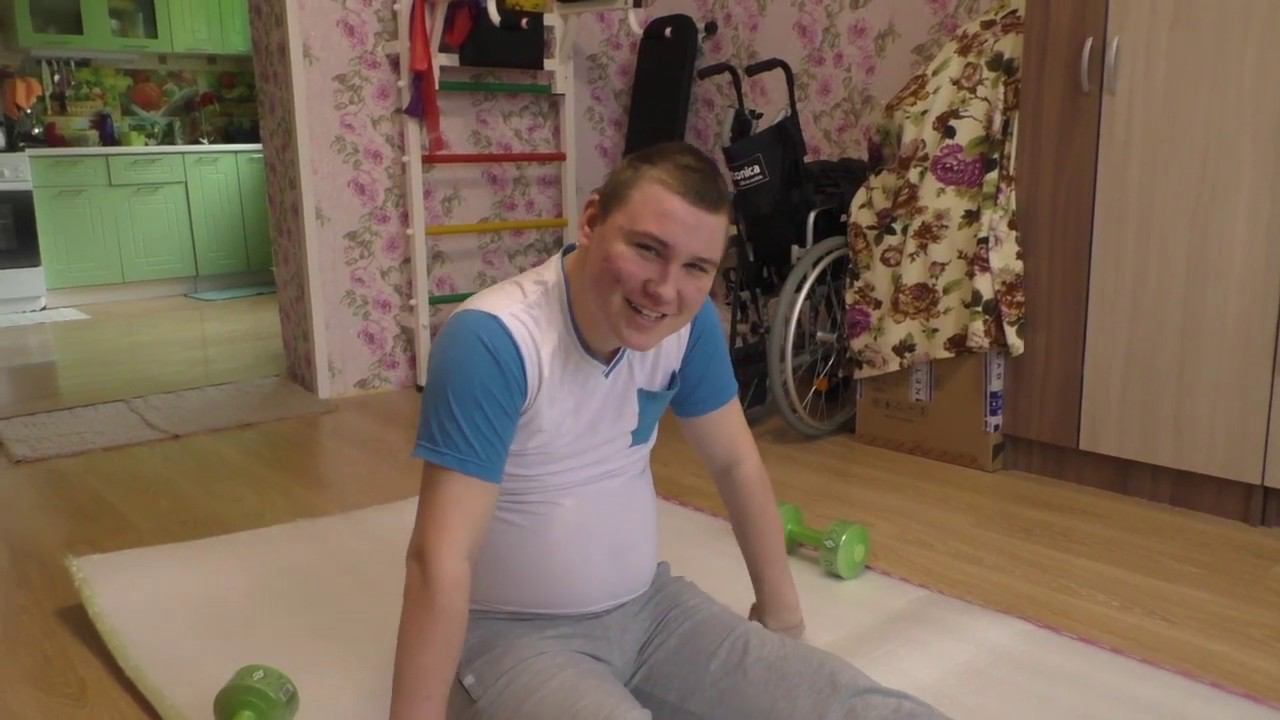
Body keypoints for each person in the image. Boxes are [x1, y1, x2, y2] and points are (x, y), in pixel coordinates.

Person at [388, 141, 948, 720]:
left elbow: (734, 462)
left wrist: (782, 623)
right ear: (591, 220)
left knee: (863, 708)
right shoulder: (494, 340)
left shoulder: (687, 324)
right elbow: (439, 560)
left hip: (652, 612)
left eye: (695, 268)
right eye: (647, 249)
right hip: (514, 638)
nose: (663, 289)